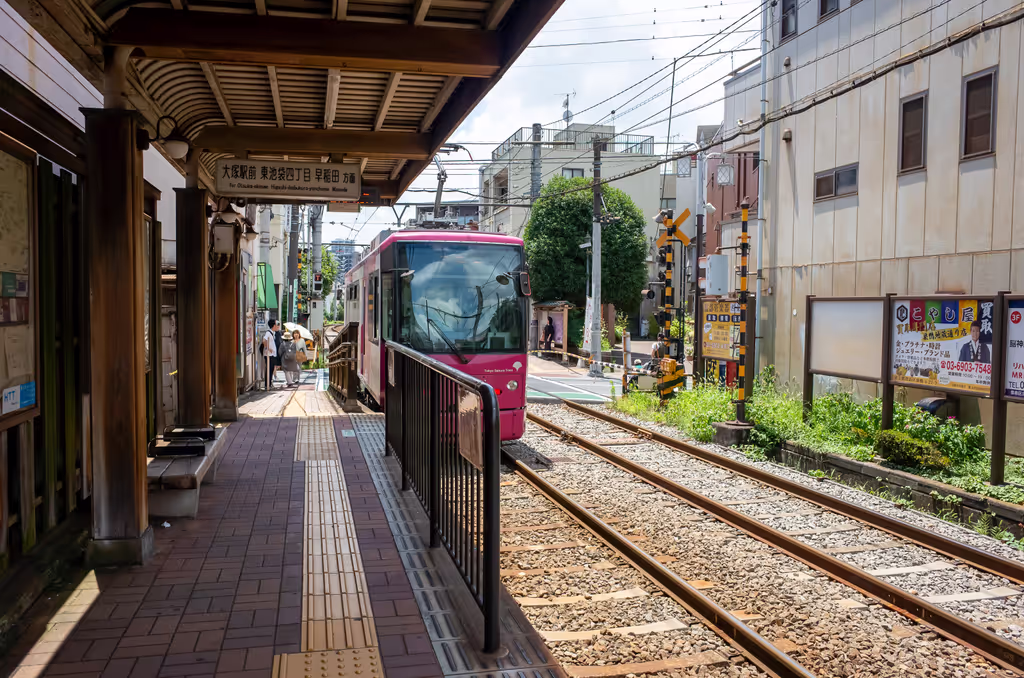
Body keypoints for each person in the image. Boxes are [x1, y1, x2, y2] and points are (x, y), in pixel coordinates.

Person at [261, 319, 279, 389]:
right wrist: (269, 348)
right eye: (276, 325)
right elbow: (264, 340)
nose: (277, 326)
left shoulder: (272, 333)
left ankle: (269, 383)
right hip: (269, 355)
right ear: (273, 325)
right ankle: (267, 384)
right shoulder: (268, 333)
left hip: (272, 355)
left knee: (271, 369)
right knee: (269, 369)